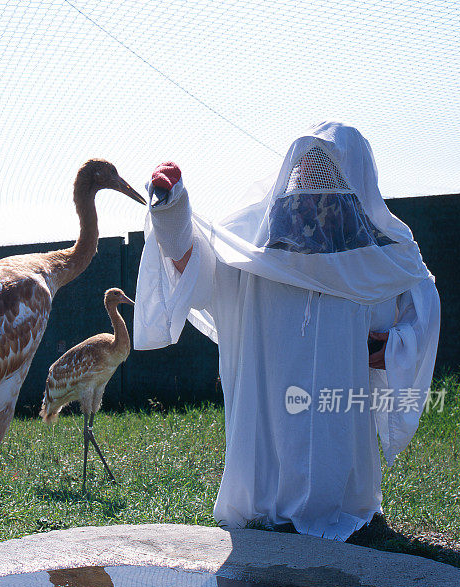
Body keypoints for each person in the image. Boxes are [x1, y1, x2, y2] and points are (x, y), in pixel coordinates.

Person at [134, 121, 440, 541]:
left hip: (341, 416)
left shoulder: (385, 248)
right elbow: (198, 272)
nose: (314, 186)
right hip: (266, 427)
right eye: (307, 172)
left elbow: (421, 298)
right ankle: (271, 503)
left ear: (355, 177)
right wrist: (171, 210)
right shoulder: (255, 239)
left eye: (327, 173)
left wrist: (398, 345)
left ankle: (334, 504)